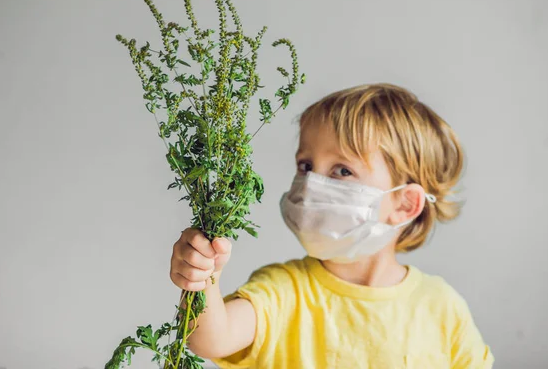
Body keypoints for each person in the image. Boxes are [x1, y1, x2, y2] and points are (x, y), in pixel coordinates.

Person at [169, 83, 494, 368]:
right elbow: (211, 340)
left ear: (405, 204)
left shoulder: (440, 306)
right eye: (306, 165)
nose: (311, 184)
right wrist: (202, 278)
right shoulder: (284, 290)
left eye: (342, 170)